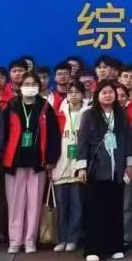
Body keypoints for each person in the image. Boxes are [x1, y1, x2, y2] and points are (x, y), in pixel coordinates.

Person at [73, 80, 132, 261]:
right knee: (96, 211)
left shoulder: (122, 115)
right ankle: (93, 249)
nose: (108, 95)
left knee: (115, 209)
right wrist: (81, 167)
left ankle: (115, 247)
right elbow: (82, 142)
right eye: (104, 92)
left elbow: (128, 142)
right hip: (97, 169)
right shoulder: (89, 115)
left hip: (117, 169)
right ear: (97, 95)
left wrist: (129, 165)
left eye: (111, 92)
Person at [0, 71, 58, 253]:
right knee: (15, 203)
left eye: (33, 84)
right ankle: (15, 241)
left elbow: (54, 135)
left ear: (39, 87)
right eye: (27, 84)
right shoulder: (11, 106)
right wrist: (1, 157)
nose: (30, 87)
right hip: (14, 161)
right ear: (20, 86)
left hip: (37, 162)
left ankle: (30, 240)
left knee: (34, 203)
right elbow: (2, 135)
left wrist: (50, 159)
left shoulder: (46, 108)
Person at [52, 82, 88, 252]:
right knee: (62, 205)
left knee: (77, 205)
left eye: (77, 92)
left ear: (83, 95)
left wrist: (83, 165)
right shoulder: (59, 114)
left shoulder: (87, 114)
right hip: (60, 164)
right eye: (70, 92)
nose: (73, 95)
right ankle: (62, 238)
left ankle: (73, 238)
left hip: (78, 166)